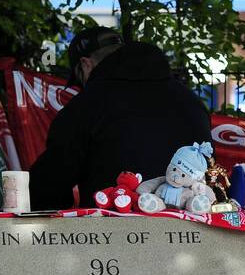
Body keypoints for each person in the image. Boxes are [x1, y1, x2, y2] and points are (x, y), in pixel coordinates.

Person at [29, 26, 212, 210]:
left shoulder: (87, 105)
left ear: (85, 65)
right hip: (192, 229)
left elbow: (47, 185)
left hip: (111, 231)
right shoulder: (191, 101)